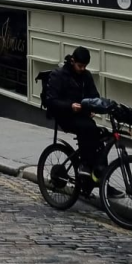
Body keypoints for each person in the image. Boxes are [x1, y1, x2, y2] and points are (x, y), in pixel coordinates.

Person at [44, 46, 103, 174]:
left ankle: (101, 176)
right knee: (87, 128)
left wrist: (94, 107)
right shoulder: (59, 75)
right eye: (80, 66)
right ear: (72, 61)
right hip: (64, 116)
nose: (82, 69)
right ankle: (85, 165)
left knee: (100, 137)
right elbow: (51, 101)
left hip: (82, 114)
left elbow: (94, 95)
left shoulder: (86, 76)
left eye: (85, 66)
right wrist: (70, 106)